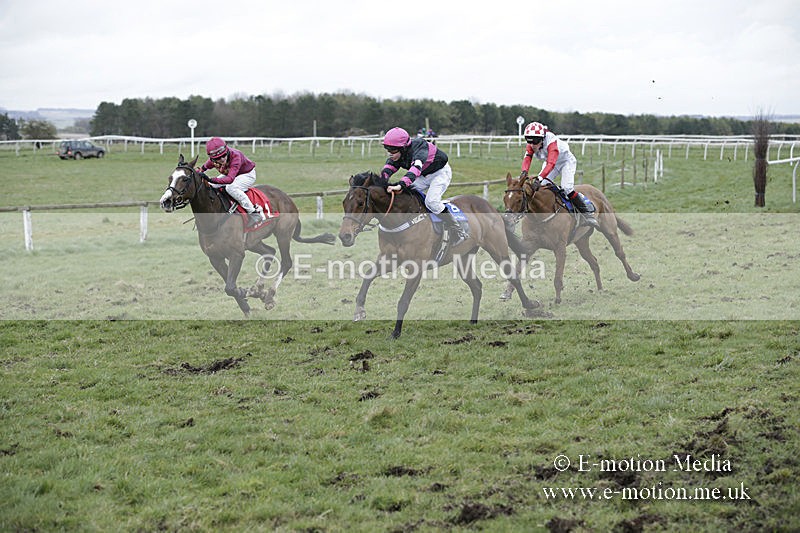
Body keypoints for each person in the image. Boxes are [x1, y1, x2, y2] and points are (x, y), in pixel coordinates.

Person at [381, 127, 467, 245]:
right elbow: (388, 168)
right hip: (423, 175)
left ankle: (458, 230)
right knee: (404, 195)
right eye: (387, 149)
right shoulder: (399, 153)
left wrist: (401, 185)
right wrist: (381, 183)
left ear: (403, 148)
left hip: (440, 173)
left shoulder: (420, 148)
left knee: (431, 201)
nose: (389, 153)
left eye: (392, 150)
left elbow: (415, 169)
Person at [520, 122, 597, 227]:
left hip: (565, 162)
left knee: (567, 188)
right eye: (529, 141)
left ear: (542, 139)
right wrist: (524, 171)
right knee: (542, 187)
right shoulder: (533, 144)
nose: (532, 145)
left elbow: (551, 164)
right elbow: (527, 158)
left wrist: (539, 178)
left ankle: (587, 214)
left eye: (535, 141)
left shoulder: (552, 143)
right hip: (550, 163)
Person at [197, 137, 266, 228]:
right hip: (233, 174)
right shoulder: (213, 160)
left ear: (227, 150)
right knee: (211, 186)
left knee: (231, 188)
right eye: (218, 158)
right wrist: (198, 172)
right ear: (213, 159)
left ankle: (253, 213)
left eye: (224, 155)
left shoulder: (236, 156)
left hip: (247, 174)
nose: (222, 159)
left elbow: (229, 180)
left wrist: (210, 179)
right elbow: (204, 168)